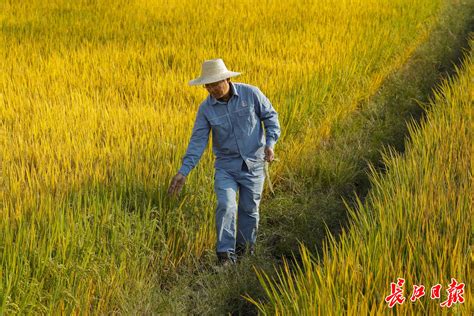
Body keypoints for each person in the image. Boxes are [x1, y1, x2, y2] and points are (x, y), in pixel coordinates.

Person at [167, 58, 281, 265]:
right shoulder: (206, 109)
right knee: (226, 205)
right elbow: (198, 141)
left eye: (215, 83)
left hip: (254, 163)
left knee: (249, 209)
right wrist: (183, 172)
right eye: (207, 85)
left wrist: (270, 143)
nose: (212, 89)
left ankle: (245, 251)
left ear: (227, 79)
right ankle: (225, 255)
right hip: (226, 167)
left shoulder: (251, 94)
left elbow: (271, 117)